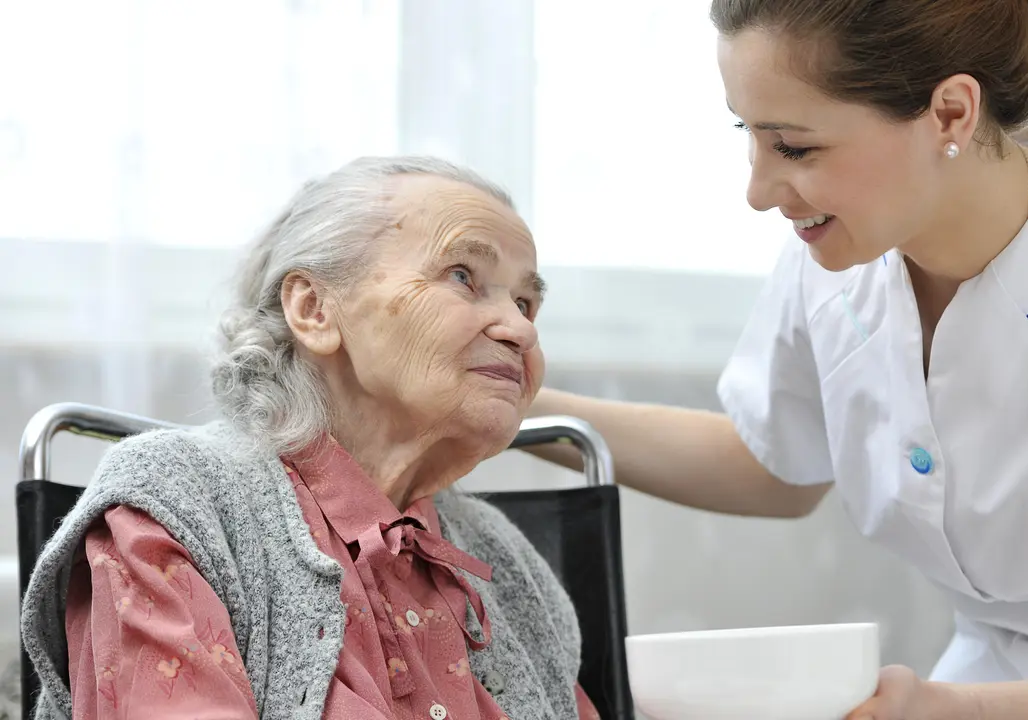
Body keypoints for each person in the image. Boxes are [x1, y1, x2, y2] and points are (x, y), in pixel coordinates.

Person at [527, 0, 1028, 718]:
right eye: (747, 135)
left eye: (795, 146)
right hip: (976, 688)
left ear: (951, 112)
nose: (757, 191)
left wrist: (943, 711)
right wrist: (514, 408)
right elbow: (771, 462)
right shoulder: (840, 252)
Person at [21, 157, 600, 720]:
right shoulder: (176, 508)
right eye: (462, 277)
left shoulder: (505, 560)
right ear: (314, 309)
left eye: (526, 302)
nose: (521, 329)